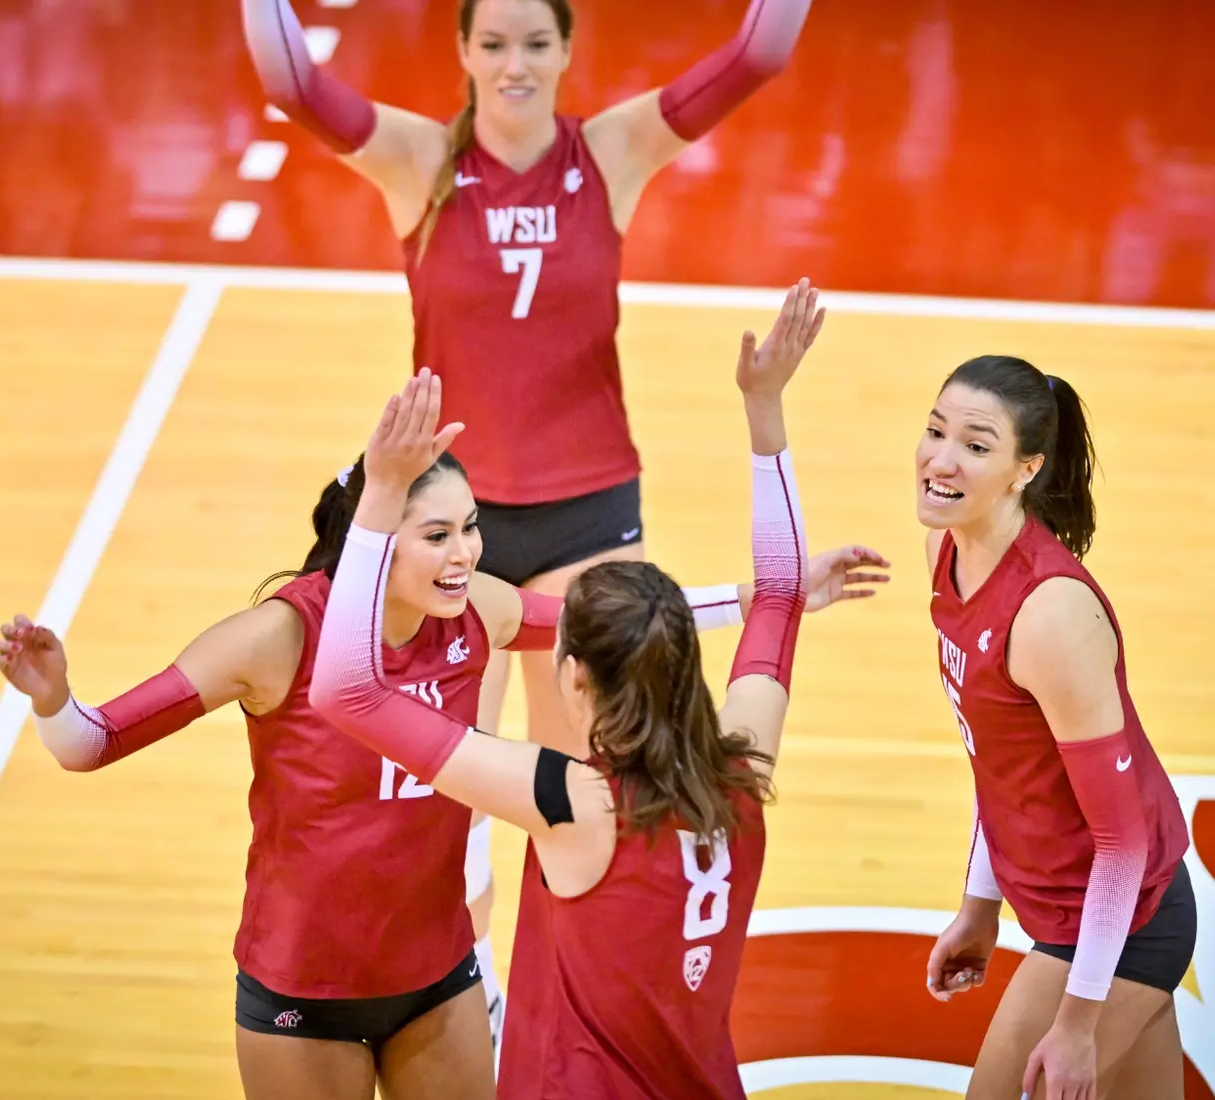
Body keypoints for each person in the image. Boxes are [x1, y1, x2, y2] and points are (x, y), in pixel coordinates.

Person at [0, 394, 880, 1098]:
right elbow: (90, 744)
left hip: (439, 978)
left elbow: (614, 624)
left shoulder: (479, 615)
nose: (467, 554)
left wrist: (772, 593)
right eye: (439, 534)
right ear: (378, 540)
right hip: (304, 989)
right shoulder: (276, 638)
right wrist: (55, 701)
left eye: (471, 529)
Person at [241, 0, 813, 1032]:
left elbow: (761, 51)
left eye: (535, 43)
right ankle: (479, 999)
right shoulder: (420, 159)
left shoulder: (610, 152)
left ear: (566, 51)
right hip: (459, 522)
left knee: (598, 779)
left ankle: (588, 1001)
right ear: (461, 51)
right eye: (493, 43)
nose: (514, 65)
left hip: (593, 511)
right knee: (452, 811)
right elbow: (291, 83)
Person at [307, 281, 832, 1098]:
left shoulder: (567, 801)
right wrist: (764, 407)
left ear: (574, 676)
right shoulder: (742, 766)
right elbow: (780, 593)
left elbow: (344, 692)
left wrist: (377, 497)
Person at [916, 355, 1194, 1100]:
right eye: (936, 430)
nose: (941, 459)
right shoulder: (947, 550)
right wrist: (980, 909)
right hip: (1062, 902)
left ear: (1024, 469)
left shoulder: (1050, 615)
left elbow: (1123, 839)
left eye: (975, 445)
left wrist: (1075, 1024)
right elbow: (997, 761)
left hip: (1120, 921)